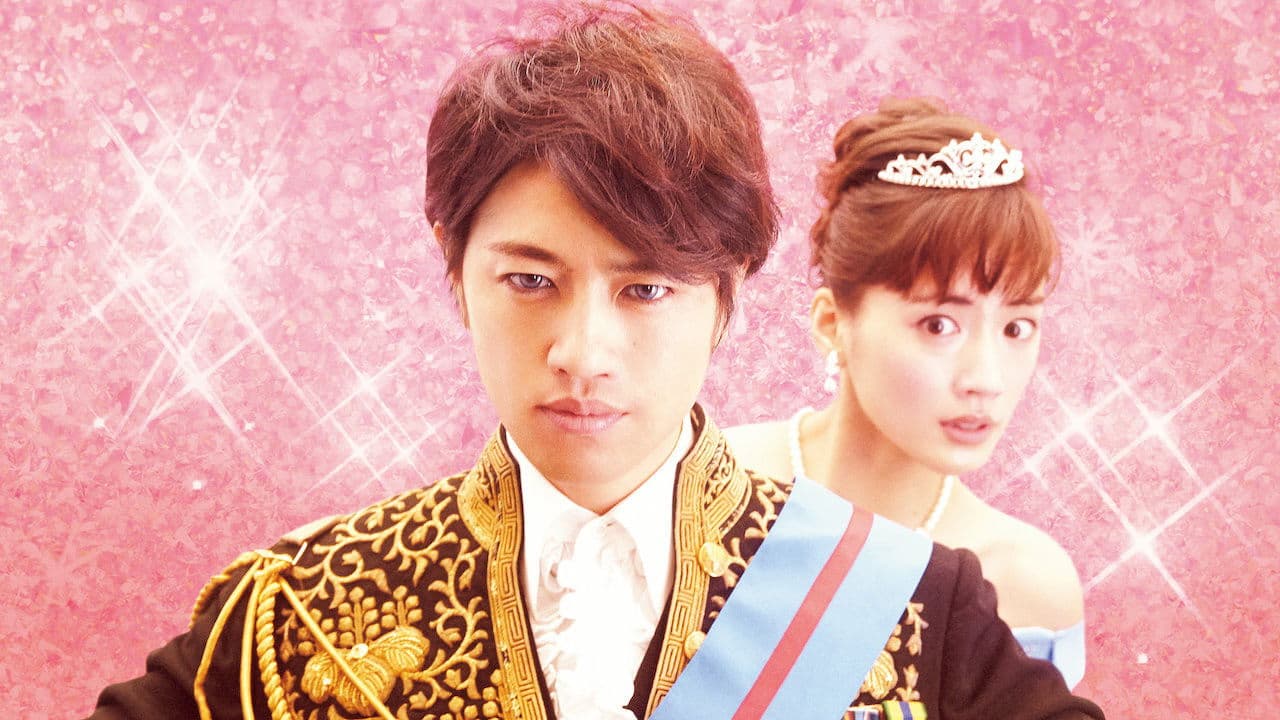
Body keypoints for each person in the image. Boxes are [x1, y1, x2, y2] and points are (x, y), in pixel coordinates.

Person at [88, 7, 1103, 720]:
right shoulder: (296, 615)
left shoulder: (920, 607)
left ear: (727, 298)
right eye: (529, 280)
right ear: (456, 274)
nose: (580, 354)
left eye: (645, 290)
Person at [725, 97, 1088, 688]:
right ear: (832, 323)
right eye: (939, 325)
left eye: (1017, 328)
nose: (986, 379)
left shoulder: (1023, 583)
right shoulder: (707, 481)